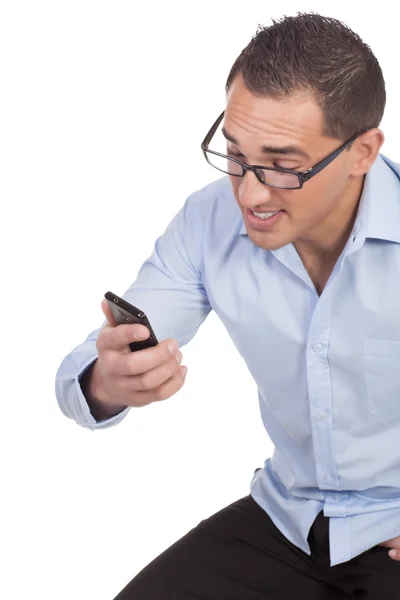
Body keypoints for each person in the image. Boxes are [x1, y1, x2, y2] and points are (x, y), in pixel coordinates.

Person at [55, 12, 400, 598]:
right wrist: (106, 380)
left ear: (362, 151)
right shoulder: (208, 221)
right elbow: (89, 368)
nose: (250, 192)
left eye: (284, 166)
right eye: (236, 154)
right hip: (286, 518)